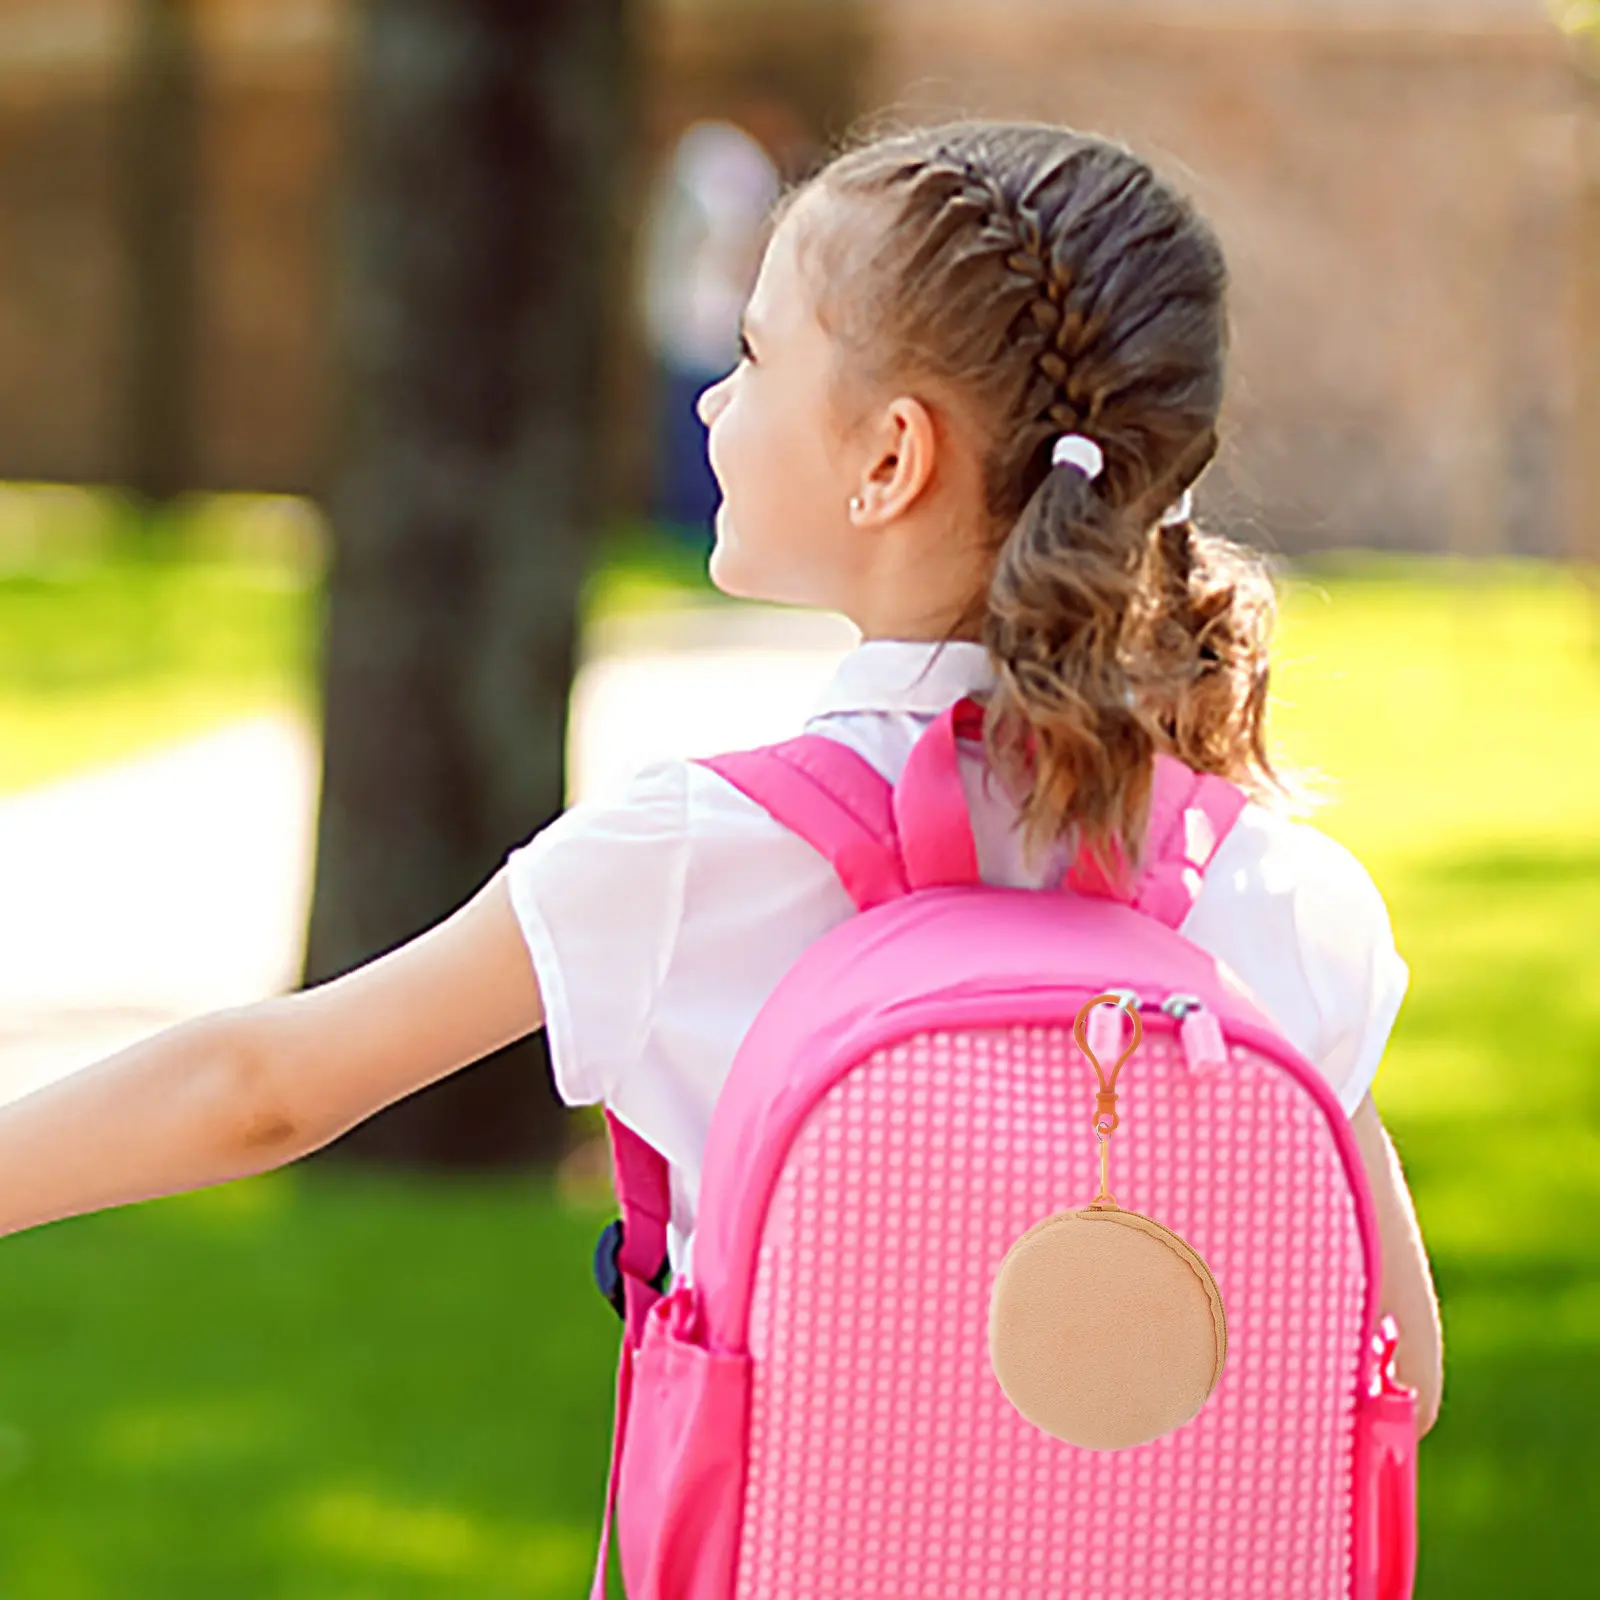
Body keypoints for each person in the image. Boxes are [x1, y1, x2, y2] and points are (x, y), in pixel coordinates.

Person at [0, 119, 1443, 1438]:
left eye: (750, 358)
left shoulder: (699, 857)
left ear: (889, 458)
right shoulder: (1280, 895)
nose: (708, 406)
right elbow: (1402, 1377)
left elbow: (266, 1090)